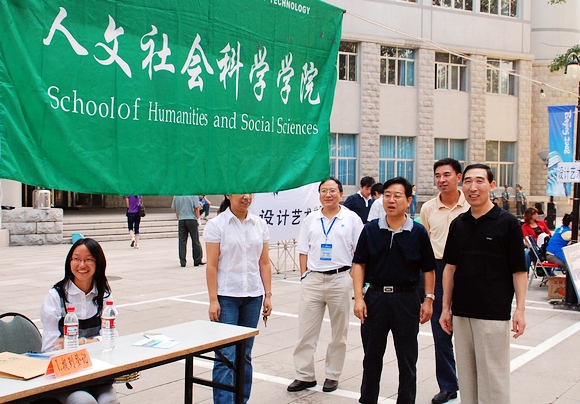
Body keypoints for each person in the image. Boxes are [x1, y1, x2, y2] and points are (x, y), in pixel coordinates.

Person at [440, 164, 527, 404]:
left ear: (492, 185)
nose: (473, 187)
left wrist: (520, 310)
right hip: (462, 313)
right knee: (467, 379)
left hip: (493, 314)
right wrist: (446, 308)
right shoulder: (458, 224)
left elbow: (519, 271)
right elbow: (450, 269)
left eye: (479, 181)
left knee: (493, 379)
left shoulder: (508, 223)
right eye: (468, 181)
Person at [352, 176, 436, 404]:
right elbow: (359, 264)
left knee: (407, 359)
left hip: (406, 299)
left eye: (397, 196)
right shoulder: (370, 229)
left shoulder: (418, 232)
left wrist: (428, 300)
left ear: (408, 200)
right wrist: (358, 298)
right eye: (387, 195)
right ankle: (367, 399)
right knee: (371, 357)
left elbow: (429, 269)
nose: (391, 200)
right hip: (375, 299)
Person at [288, 177, 363, 393]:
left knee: (339, 332)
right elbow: (303, 250)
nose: (327, 195)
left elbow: (360, 252)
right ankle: (304, 375)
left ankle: (332, 375)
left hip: (340, 278)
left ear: (341, 194)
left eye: (332, 191)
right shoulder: (311, 219)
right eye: (323, 191)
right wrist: (304, 275)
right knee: (306, 331)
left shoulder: (351, 219)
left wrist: (352, 277)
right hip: (313, 279)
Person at [203, 194, 272, 404]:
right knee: (225, 355)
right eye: (241, 191)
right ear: (228, 194)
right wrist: (213, 300)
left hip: (253, 296)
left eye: (250, 192)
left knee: (245, 354)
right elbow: (211, 265)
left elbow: (264, 263)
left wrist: (268, 295)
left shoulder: (259, 224)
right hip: (227, 297)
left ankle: (241, 399)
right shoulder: (216, 225)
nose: (246, 196)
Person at [40, 238, 119, 404]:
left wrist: (78, 342)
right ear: (69, 261)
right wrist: (93, 342)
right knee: (85, 401)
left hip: (96, 372)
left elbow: (111, 338)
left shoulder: (103, 295)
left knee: (108, 400)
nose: (82, 265)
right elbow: (50, 347)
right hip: (65, 376)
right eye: (76, 259)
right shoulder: (56, 296)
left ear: (98, 263)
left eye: (88, 259)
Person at [419, 158, 469, 404]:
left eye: (447, 175)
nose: (441, 180)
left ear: (458, 177)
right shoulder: (428, 208)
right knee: (441, 333)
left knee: (469, 331)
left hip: (468, 271)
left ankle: (473, 385)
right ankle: (448, 385)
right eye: (438, 175)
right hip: (438, 270)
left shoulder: (471, 205)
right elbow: (424, 246)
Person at [172, 196, 204, 267]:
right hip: (191, 219)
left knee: (182, 241)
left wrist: (179, 217)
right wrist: (198, 219)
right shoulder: (193, 195)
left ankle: (182, 261)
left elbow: (175, 209)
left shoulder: (176, 195)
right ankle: (197, 260)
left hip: (181, 219)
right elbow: (196, 208)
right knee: (195, 240)